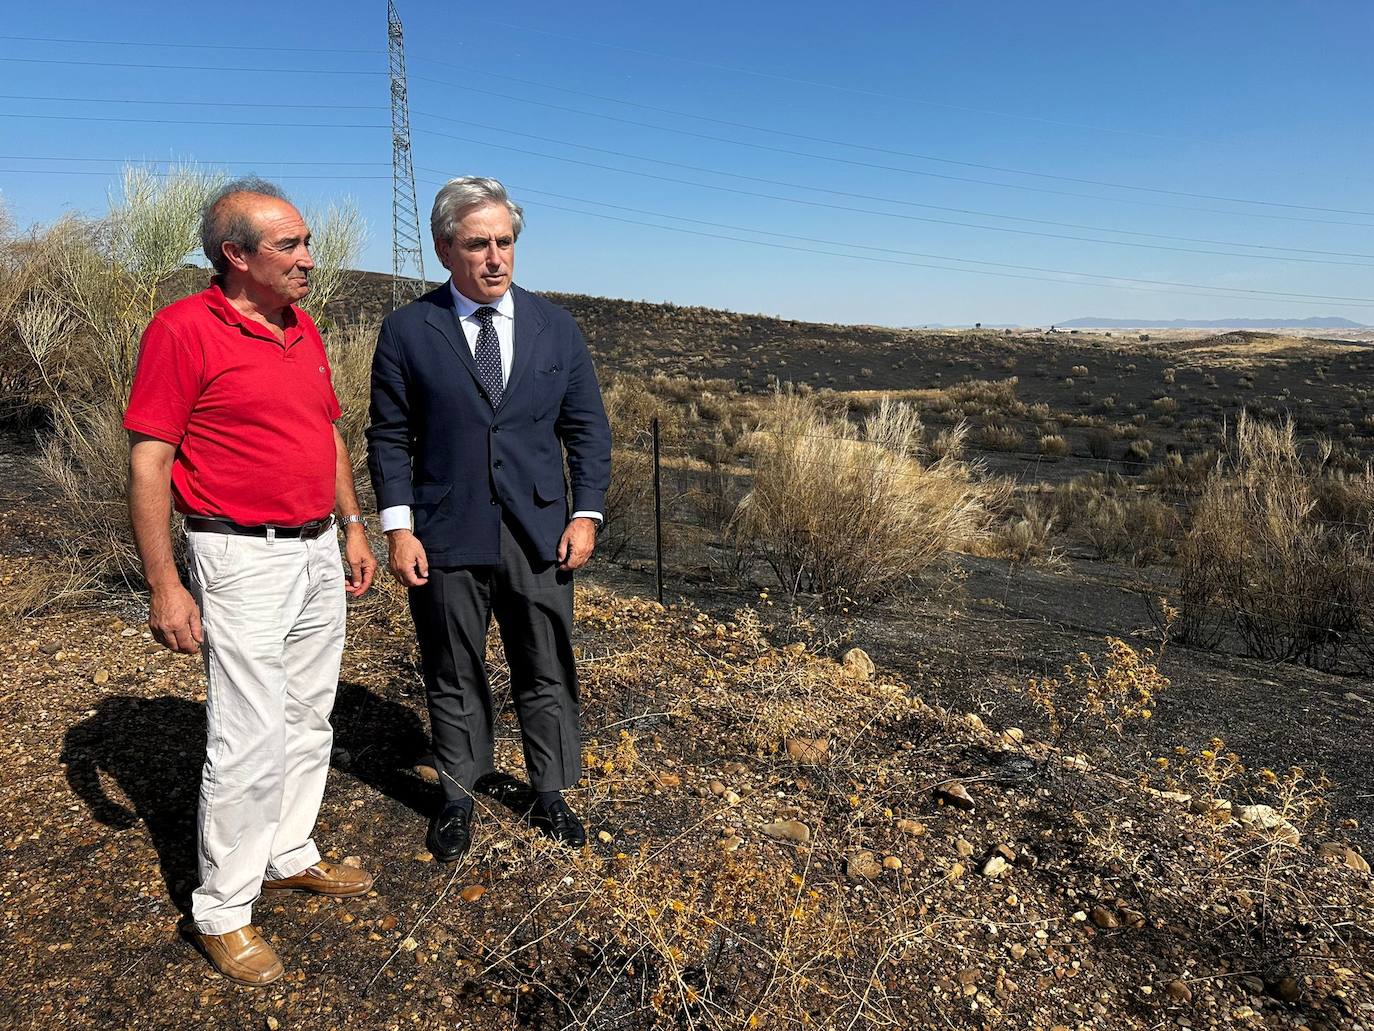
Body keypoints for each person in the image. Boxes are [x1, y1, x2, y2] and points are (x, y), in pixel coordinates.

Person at [124, 178, 378, 987]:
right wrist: (166, 582)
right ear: (235, 255)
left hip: (313, 549)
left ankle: (287, 851)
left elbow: (327, 430)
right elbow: (150, 460)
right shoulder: (181, 330)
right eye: (291, 245)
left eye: (307, 241)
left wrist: (352, 523)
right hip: (237, 554)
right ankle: (224, 909)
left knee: (308, 713)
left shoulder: (301, 325)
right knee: (246, 734)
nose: (310, 258)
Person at [366, 176, 611, 863]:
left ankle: (552, 788)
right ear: (446, 249)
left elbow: (587, 429)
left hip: (539, 533)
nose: (496, 257)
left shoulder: (553, 327)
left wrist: (585, 515)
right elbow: (388, 434)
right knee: (452, 664)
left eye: (505, 241)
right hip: (445, 531)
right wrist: (398, 526)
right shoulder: (409, 330)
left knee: (545, 661)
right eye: (478, 244)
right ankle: (457, 792)